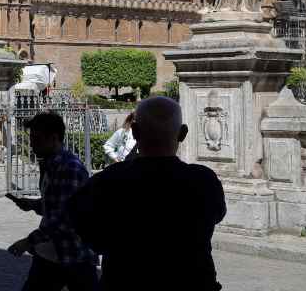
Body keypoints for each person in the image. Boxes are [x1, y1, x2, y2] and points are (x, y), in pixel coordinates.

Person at [68, 97, 226, 291]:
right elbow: (217, 215)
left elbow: (80, 222)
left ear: (135, 131)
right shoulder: (204, 181)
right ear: (182, 133)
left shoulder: (107, 182)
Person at [6, 112, 98, 291]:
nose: (31, 144)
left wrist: (28, 241)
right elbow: (57, 202)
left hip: (73, 253)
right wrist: (33, 205)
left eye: (37, 138)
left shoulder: (69, 168)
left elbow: (66, 217)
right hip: (51, 253)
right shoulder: (51, 164)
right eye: (31, 137)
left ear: (54, 138)